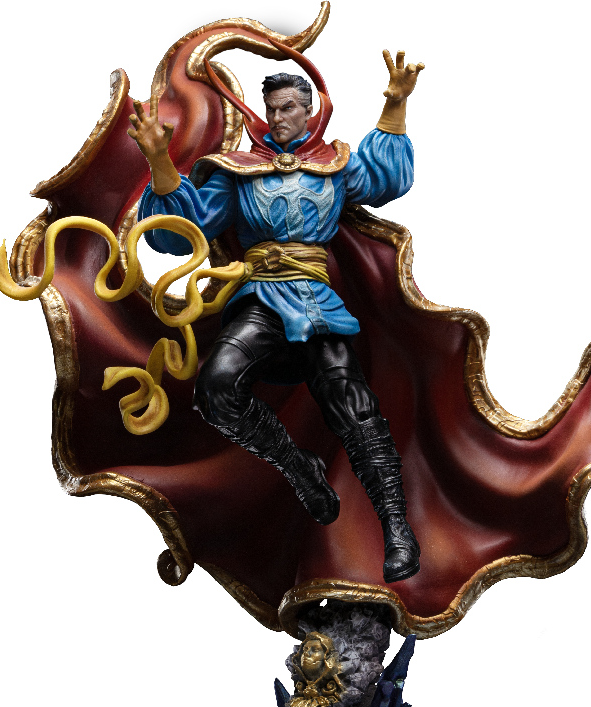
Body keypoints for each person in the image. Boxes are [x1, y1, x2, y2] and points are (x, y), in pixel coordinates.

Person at [128, 49, 424, 583]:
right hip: (261, 298)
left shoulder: (333, 164)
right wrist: (159, 160)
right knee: (215, 388)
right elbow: (180, 232)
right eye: (272, 109)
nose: (279, 117)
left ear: (310, 111)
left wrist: (395, 104)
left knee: (354, 408)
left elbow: (387, 180)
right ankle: (298, 466)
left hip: (318, 304)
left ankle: (397, 526)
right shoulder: (239, 172)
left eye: (289, 108)